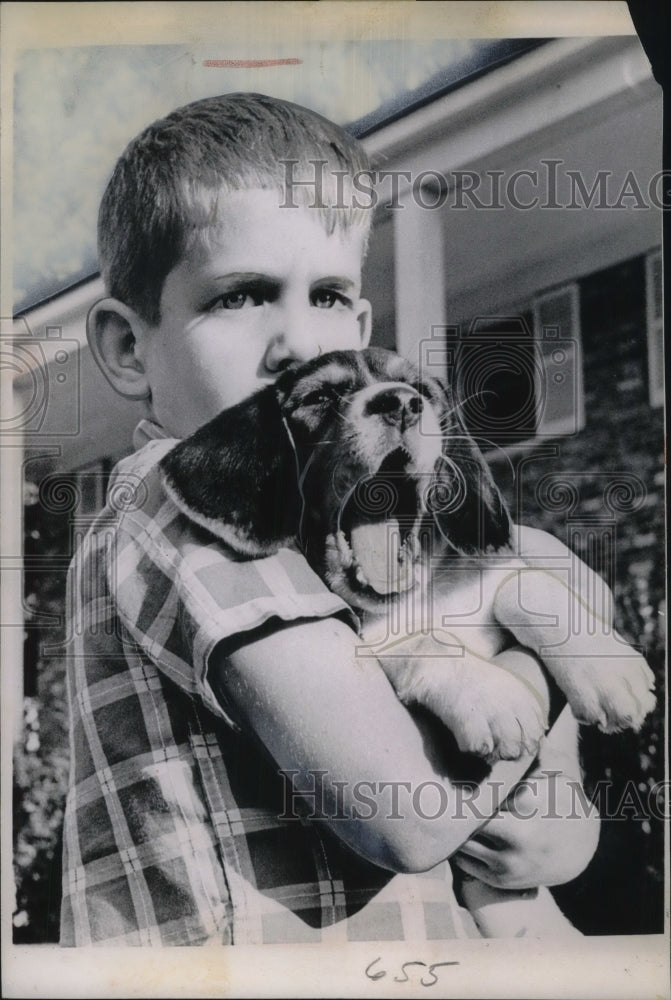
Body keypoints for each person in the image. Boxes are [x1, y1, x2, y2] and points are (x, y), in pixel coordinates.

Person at [60, 93, 601, 946]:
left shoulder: (343, 532)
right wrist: (546, 646)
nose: (297, 345)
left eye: (326, 295)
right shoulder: (192, 495)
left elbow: (521, 814)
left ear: (358, 326)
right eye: (239, 298)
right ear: (130, 348)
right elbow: (406, 814)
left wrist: (556, 831)